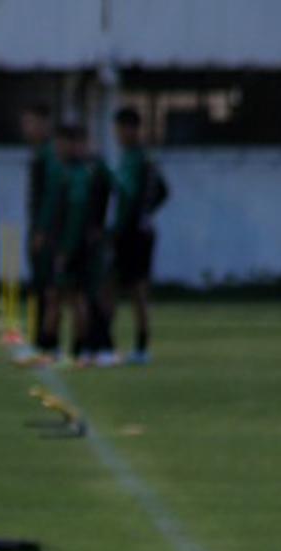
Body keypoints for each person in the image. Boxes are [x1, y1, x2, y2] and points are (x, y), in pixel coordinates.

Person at [41, 120, 114, 367]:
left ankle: (62, 349)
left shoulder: (78, 173)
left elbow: (74, 213)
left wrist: (65, 250)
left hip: (73, 247)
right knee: (72, 298)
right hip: (78, 245)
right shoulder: (77, 170)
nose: (58, 149)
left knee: (67, 298)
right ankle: (76, 350)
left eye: (62, 143)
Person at [109, 105, 171, 366]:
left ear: (132, 129)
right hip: (130, 231)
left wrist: (141, 215)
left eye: (123, 128)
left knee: (136, 290)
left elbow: (159, 192)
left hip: (134, 233)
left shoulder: (141, 159)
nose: (119, 134)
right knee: (117, 288)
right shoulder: (130, 157)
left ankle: (140, 346)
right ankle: (107, 343)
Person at [19, 101, 60, 362]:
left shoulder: (49, 157)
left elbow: (50, 198)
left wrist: (41, 230)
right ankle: (39, 340)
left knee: (47, 287)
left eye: (31, 123)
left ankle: (46, 342)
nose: (27, 128)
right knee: (39, 286)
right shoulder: (39, 154)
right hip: (38, 228)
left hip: (46, 232)